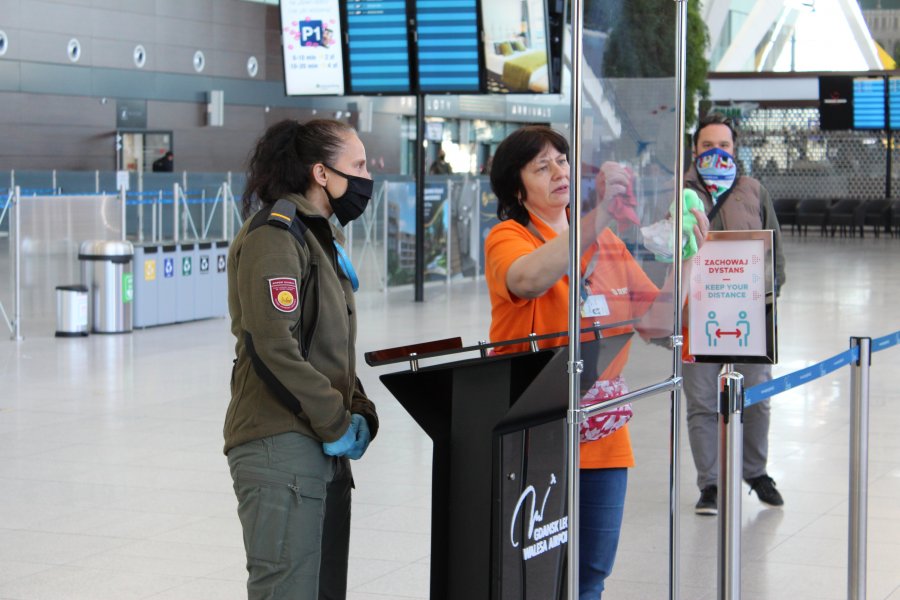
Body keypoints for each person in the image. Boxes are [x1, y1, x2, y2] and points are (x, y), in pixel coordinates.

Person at [484, 125, 708, 598]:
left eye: (562, 161)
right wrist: (601, 213)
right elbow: (527, 280)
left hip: (602, 434)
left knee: (590, 575)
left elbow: (656, 325)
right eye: (541, 167)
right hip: (534, 433)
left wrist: (686, 258)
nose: (558, 172)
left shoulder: (606, 244)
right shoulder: (509, 237)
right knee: (531, 573)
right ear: (517, 188)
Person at [224, 119, 379, 599]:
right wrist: (336, 419)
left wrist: (361, 408)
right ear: (321, 173)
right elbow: (274, 346)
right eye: (357, 165)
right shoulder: (276, 235)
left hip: (315, 443)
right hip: (280, 444)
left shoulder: (320, 239)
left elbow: (329, 347)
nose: (366, 176)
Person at [682, 112, 787, 516]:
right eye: (708, 146)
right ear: (695, 149)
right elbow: (662, 251)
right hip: (698, 316)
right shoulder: (680, 193)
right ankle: (710, 484)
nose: (716, 152)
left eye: (723, 146)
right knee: (703, 402)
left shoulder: (754, 190)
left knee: (758, 396)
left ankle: (755, 472)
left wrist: (768, 296)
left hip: (750, 316)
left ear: (734, 148)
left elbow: (774, 249)